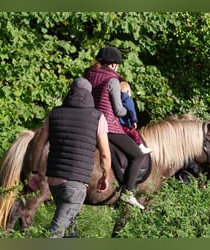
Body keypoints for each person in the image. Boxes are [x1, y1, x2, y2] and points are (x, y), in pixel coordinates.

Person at [34, 78, 112, 238]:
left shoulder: (54, 113)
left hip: (54, 181)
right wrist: (106, 176)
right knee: (55, 233)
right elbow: (104, 153)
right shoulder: (97, 116)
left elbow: (39, 144)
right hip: (75, 183)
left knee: (70, 229)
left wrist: (35, 171)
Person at [84, 45, 145, 210]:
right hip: (108, 126)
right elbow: (118, 110)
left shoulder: (88, 74)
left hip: (87, 123)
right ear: (113, 65)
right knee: (138, 155)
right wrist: (128, 104)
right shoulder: (112, 80)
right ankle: (128, 193)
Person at [119, 81, 153, 154]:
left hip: (118, 124)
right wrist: (134, 121)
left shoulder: (118, 99)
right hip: (124, 124)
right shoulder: (127, 99)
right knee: (134, 133)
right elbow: (131, 110)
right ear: (128, 91)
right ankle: (141, 146)